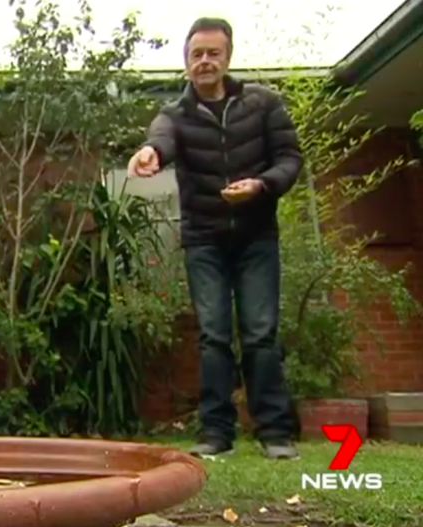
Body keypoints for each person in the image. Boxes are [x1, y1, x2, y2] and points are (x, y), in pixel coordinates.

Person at [126, 17, 302, 459]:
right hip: (204, 239)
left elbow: (289, 159)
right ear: (186, 62)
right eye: (196, 54)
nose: (204, 62)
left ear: (227, 57)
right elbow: (161, 139)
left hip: (257, 236)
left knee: (261, 333)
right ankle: (215, 434)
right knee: (213, 335)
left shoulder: (263, 104)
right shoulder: (175, 115)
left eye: (212, 53)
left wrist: (260, 185)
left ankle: (275, 433)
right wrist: (150, 153)